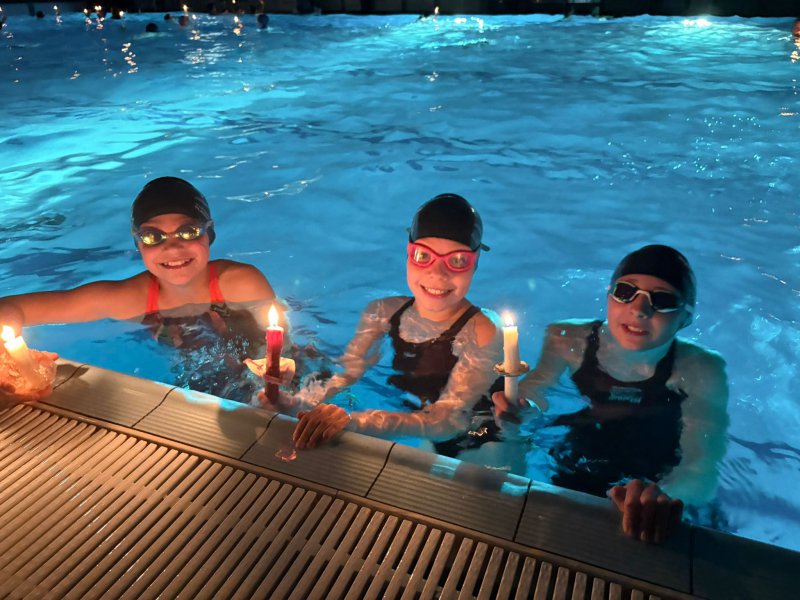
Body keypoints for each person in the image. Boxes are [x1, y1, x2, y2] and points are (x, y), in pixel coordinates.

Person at [493, 245, 729, 543]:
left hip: (659, 471)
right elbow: (534, 396)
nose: (639, 310)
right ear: (609, 296)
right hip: (580, 454)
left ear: (685, 318)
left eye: (663, 300)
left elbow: (702, 470)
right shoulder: (566, 339)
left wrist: (663, 497)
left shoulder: (701, 368)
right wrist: (519, 411)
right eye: (626, 291)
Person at [272, 194, 511, 468]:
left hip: (483, 439)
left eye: (457, 261)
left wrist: (352, 422)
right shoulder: (382, 312)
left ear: (476, 263)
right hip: (419, 424)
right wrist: (295, 403)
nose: (438, 274)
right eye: (424, 256)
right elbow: (345, 375)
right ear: (408, 254)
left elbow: (448, 421)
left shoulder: (484, 328)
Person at [0, 176, 282, 404]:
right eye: (152, 236)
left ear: (209, 233)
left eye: (188, 231)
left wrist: (284, 375)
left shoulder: (240, 283)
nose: (172, 247)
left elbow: (286, 352)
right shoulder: (130, 298)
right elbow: (10, 308)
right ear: (138, 243)